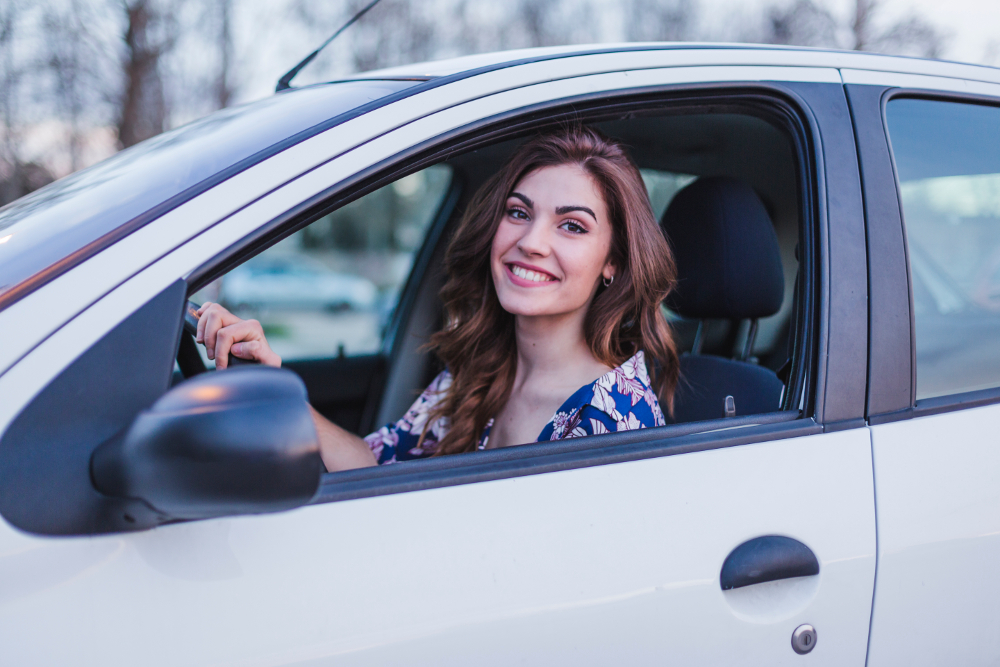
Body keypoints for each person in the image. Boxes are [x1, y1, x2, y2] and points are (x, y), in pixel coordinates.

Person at [196, 125, 680, 472]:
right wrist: (274, 385)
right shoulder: (476, 373)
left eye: (571, 226)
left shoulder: (617, 417)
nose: (532, 241)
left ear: (612, 261)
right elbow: (374, 467)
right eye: (518, 212)